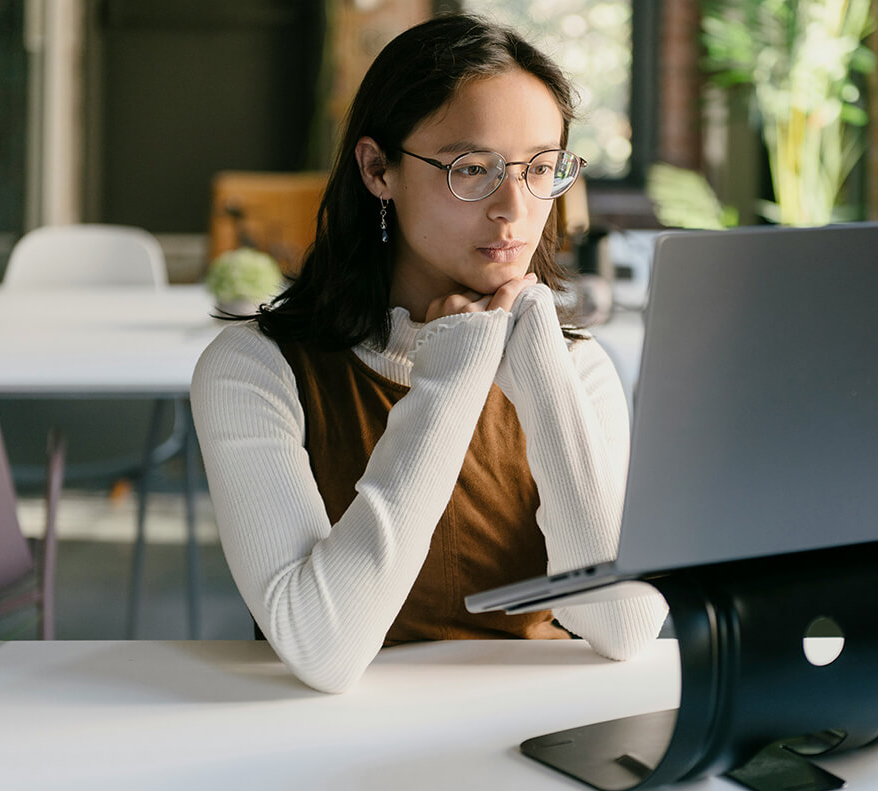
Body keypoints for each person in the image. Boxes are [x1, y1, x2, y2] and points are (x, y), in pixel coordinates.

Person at [191, 14, 668, 693]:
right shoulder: (255, 368)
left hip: (536, 725)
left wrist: (542, 375)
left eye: (540, 169)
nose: (514, 209)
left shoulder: (577, 366)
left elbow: (623, 627)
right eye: (472, 169)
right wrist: (451, 379)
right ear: (377, 168)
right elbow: (323, 650)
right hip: (327, 737)